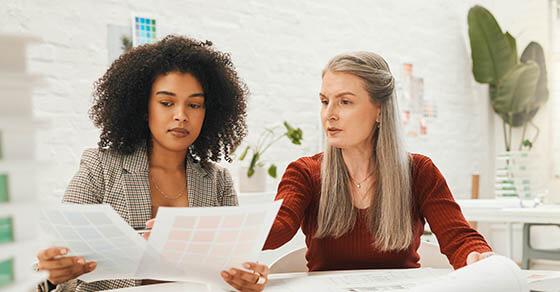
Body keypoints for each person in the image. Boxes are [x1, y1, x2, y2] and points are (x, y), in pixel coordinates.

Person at [35, 35, 266, 292]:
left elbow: (236, 268)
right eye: (166, 103)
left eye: (194, 104)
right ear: (144, 109)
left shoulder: (218, 181)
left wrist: (249, 279)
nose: (181, 115)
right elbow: (54, 262)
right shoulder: (98, 167)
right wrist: (51, 273)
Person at [259, 51, 493, 275]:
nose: (329, 114)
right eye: (324, 101)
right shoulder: (305, 173)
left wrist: (477, 257)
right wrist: (231, 232)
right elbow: (278, 227)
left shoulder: (419, 172)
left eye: (345, 102)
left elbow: (459, 238)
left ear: (380, 111)